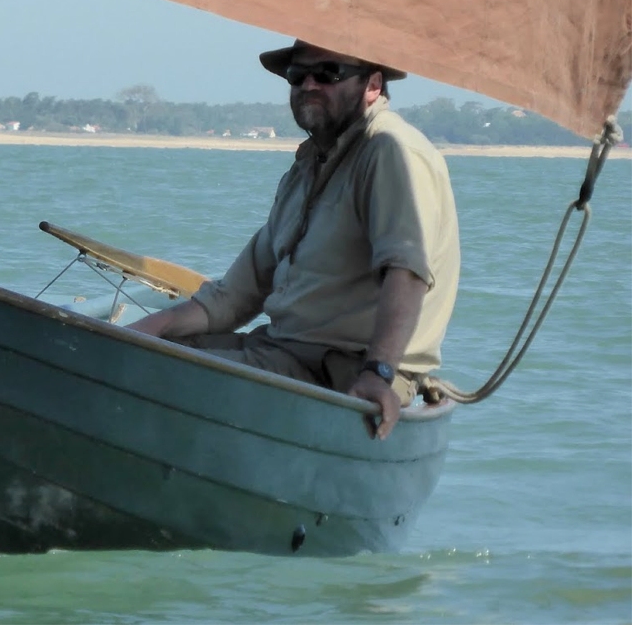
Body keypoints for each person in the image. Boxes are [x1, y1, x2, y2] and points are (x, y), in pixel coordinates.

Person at [129, 40, 460, 440]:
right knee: (134, 352)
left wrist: (380, 372)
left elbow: (406, 271)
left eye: (328, 74)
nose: (308, 85)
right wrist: (153, 327)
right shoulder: (307, 168)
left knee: (153, 373)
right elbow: (236, 296)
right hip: (284, 351)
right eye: (297, 75)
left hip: (343, 370)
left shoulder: (390, 150)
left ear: (373, 84)